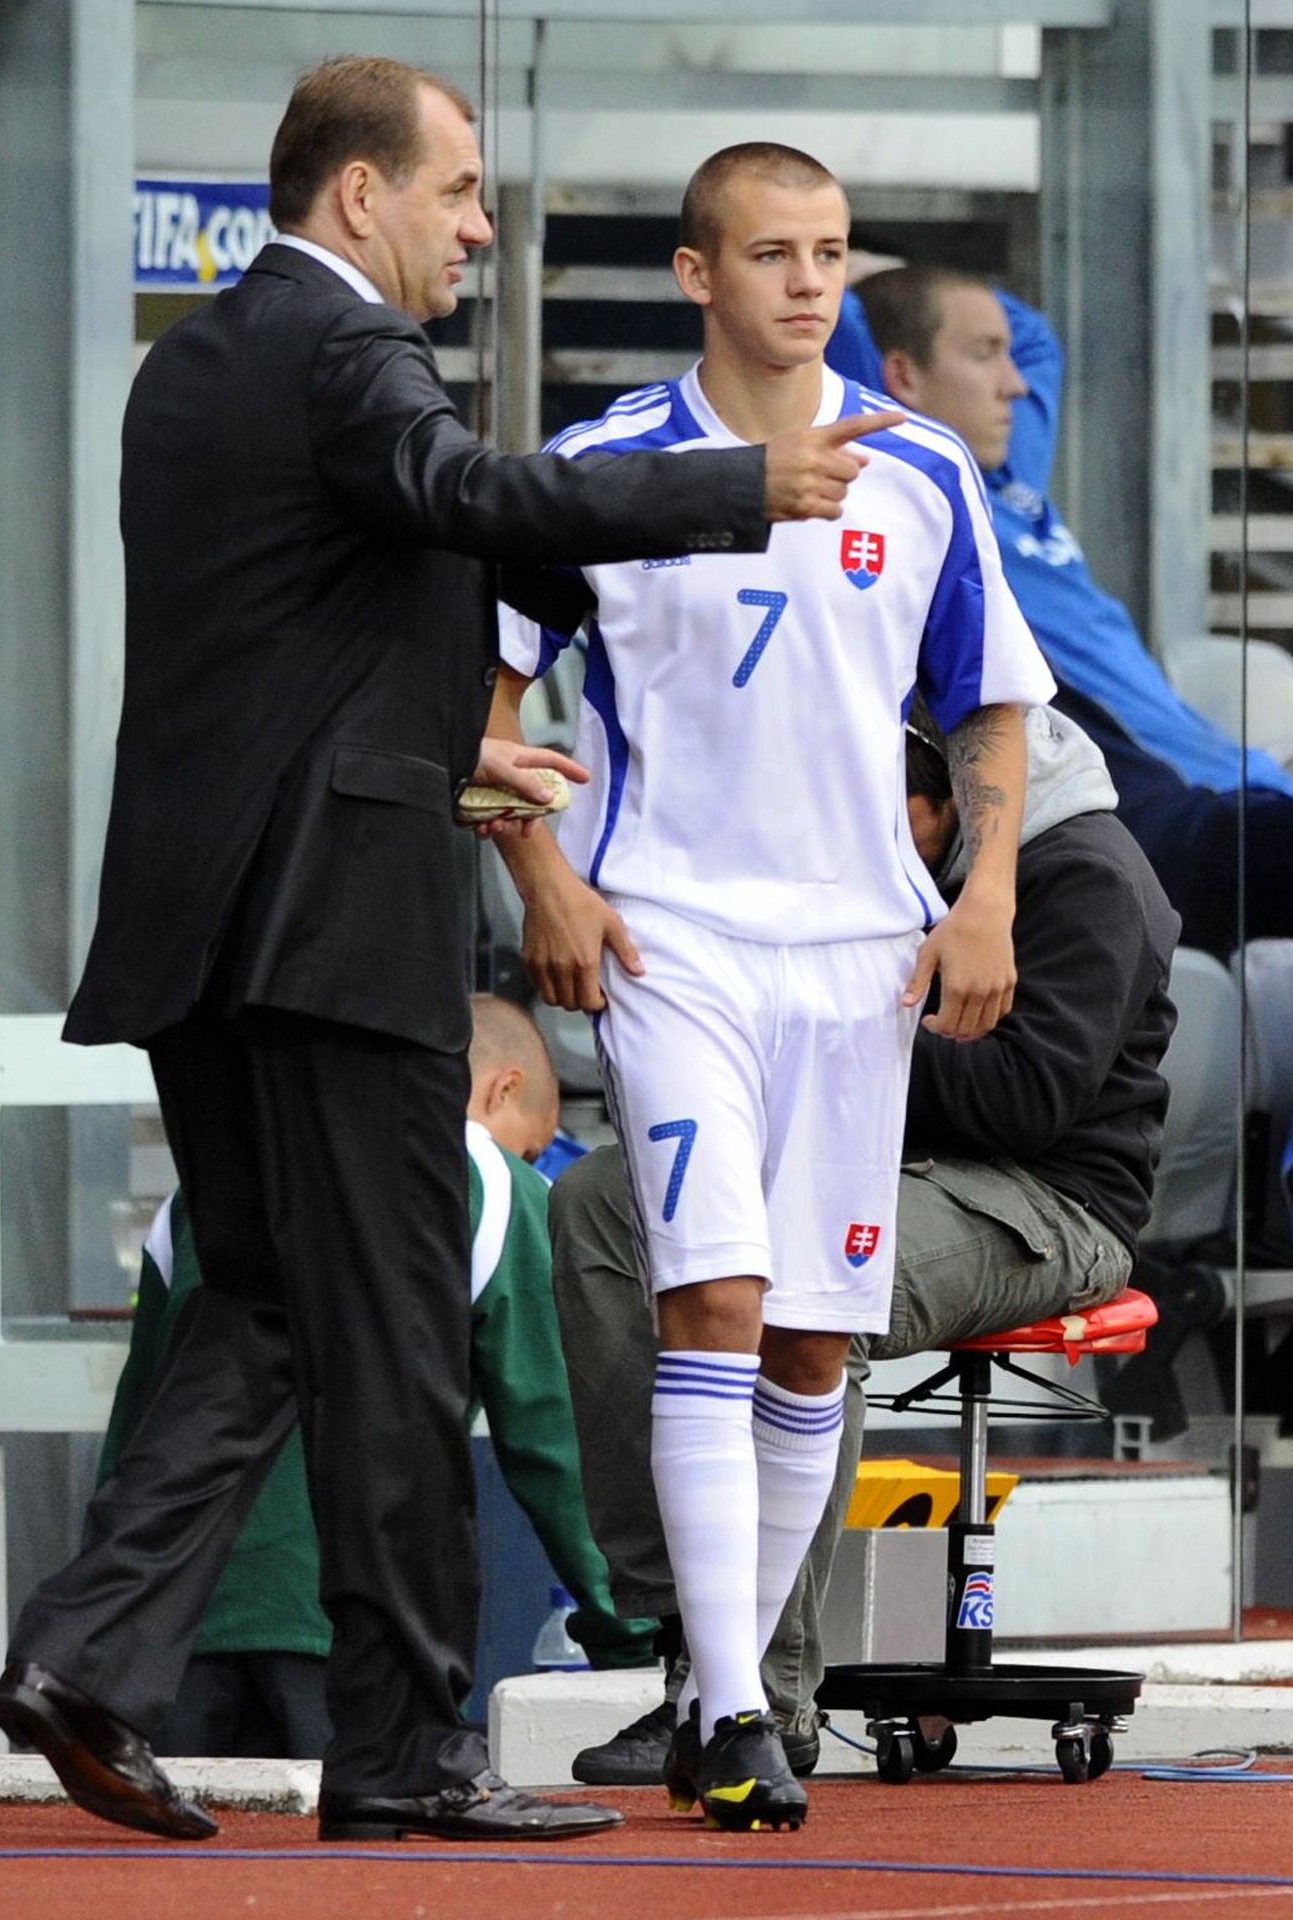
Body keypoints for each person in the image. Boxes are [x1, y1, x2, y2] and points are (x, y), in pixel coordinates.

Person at [0, 58, 890, 1849]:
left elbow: (272, 623)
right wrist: (735, 486)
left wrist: (442, 743)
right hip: (334, 922)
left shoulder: (192, 366)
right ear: (357, 199)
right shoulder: (349, 354)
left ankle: (86, 1654)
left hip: (211, 909)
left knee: (258, 1299)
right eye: (461, 191)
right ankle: (401, 1757)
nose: (480, 228)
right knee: (402, 1341)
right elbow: (466, 496)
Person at [493, 143, 1055, 1831]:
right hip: (675, 942)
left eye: (828, 254)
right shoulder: (600, 467)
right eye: (769, 253)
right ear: (695, 275)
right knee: (715, 1301)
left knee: (815, 1344)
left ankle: (748, 1701)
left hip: (863, 957)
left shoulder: (923, 472)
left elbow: (995, 702)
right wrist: (549, 882)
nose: (807, 282)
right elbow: (482, 703)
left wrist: (988, 897)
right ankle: (727, 1698)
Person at [554, 702, 1181, 1786]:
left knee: (803, 1293)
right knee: (603, 1201)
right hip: (871, 1155)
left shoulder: (1089, 875)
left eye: (883, 813)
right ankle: (685, 1632)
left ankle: (760, 1692)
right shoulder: (868, 870)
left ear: (956, 803)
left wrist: (822, 1044)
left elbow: (1027, 1099)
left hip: (1045, 1202)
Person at [98, 995, 655, 1762]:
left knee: (176, 1876)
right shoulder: (486, 1179)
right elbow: (558, 1442)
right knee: (365, 1867)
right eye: (533, 1150)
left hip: (178, 1632)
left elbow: (138, 1428)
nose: (531, 1166)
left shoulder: (206, 1190)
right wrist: (634, 1637)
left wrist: (110, 1629)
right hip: (359, 1627)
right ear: (501, 1090)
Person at [826, 265, 1293, 965]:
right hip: (1155, 813)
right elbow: (835, 328)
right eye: (983, 354)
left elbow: (1038, 341)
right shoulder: (915, 496)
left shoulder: (1010, 477)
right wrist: (844, 267)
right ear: (901, 378)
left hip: (1243, 779)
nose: (1015, 383)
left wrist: (894, 273)